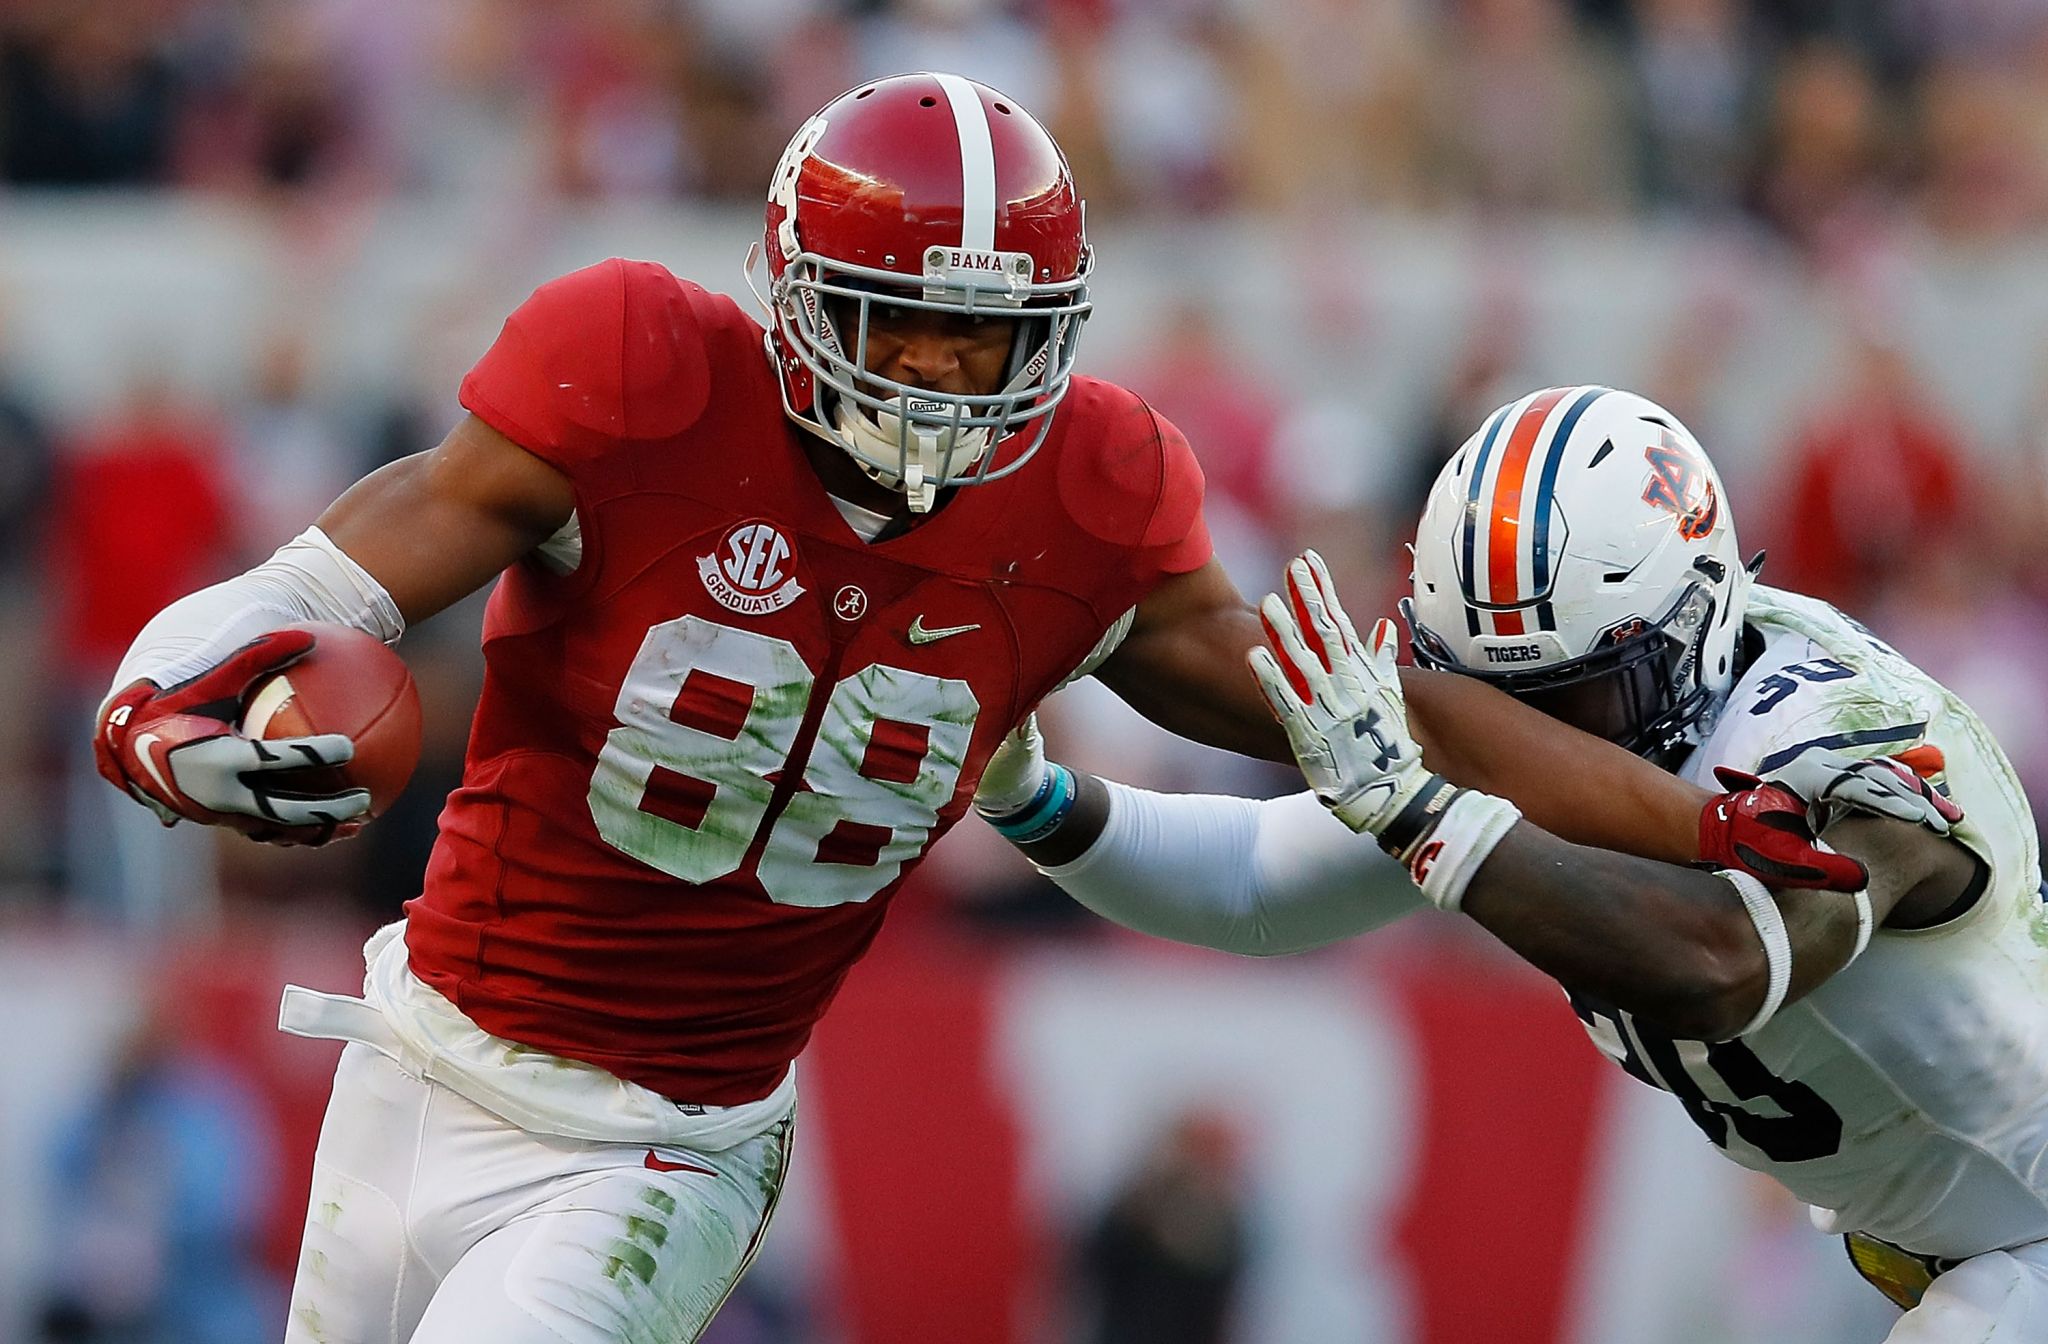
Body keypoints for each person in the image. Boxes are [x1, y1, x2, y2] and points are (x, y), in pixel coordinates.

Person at [91, 77, 1860, 1344]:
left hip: (663, 1135)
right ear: (793, 294)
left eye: (994, 340)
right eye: (904, 333)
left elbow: (1383, 715)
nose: (949, 384)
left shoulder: (1084, 506)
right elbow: (336, 575)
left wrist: (1693, 810)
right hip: (417, 1053)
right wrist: (158, 707)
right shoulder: (636, 367)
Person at [984, 386, 2046, 1342]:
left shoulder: (1858, 746)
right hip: (1928, 1237)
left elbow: (1721, 964)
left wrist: (1423, 813)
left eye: (1575, 697)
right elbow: (1258, 882)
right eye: (1489, 697)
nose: (1533, 738)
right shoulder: (1576, 718)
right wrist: (1029, 798)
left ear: (1694, 629)